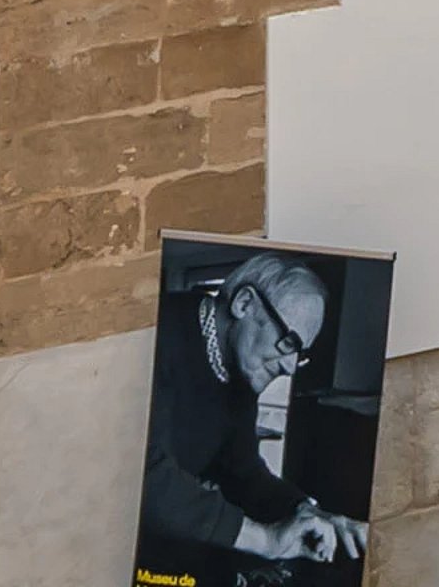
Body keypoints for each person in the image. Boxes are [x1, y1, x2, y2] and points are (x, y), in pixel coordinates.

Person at [138, 248, 376, 587]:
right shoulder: (153, 330)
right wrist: (265, 540)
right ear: (244, 304)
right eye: (287, 342)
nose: (290, 367)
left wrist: (306, 511)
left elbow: (244, 472)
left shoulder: (239, 371)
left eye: (300, 353)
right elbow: (145, 475)